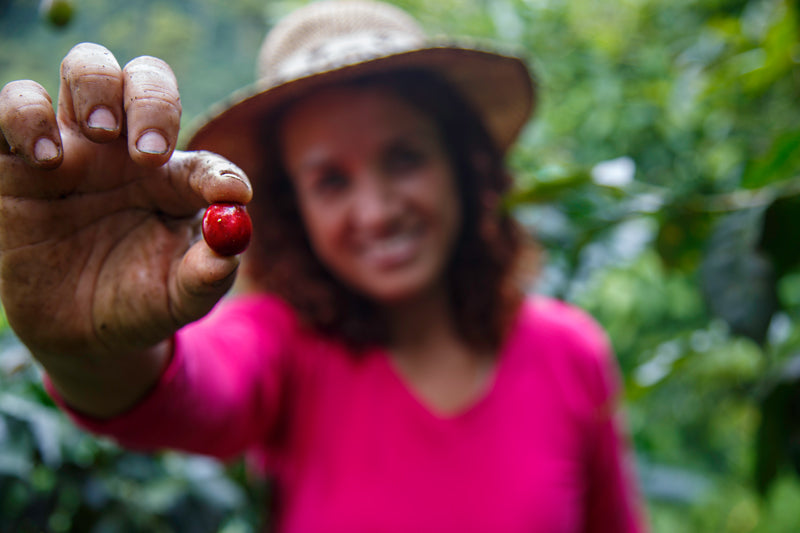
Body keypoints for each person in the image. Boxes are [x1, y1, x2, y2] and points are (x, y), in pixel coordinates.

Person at [0, 1, 647, 531]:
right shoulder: (279, 347)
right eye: (331, 180)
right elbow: (185, 391)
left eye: (404, 158)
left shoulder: (571, 353)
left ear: (460, 163)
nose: (377, 210)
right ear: (291, 206)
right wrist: (87, 349)